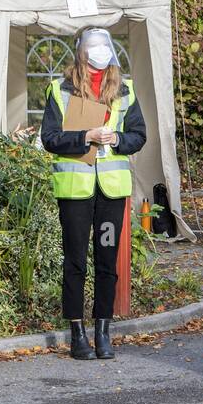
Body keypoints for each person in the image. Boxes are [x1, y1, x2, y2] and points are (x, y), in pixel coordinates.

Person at [39, 27, 147, 360]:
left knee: (106, 260)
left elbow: (138, 135)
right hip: (75, 191)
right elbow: (50, 138)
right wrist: (85, 135)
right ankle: (77, 333)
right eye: (92, 48)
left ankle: (103, 331)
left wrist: (117, 140)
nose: (98, 54)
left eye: (103, 47)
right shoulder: (61, 90)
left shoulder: (125, 90)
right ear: (81, 53)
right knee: (75, 261)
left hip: (111, 193)